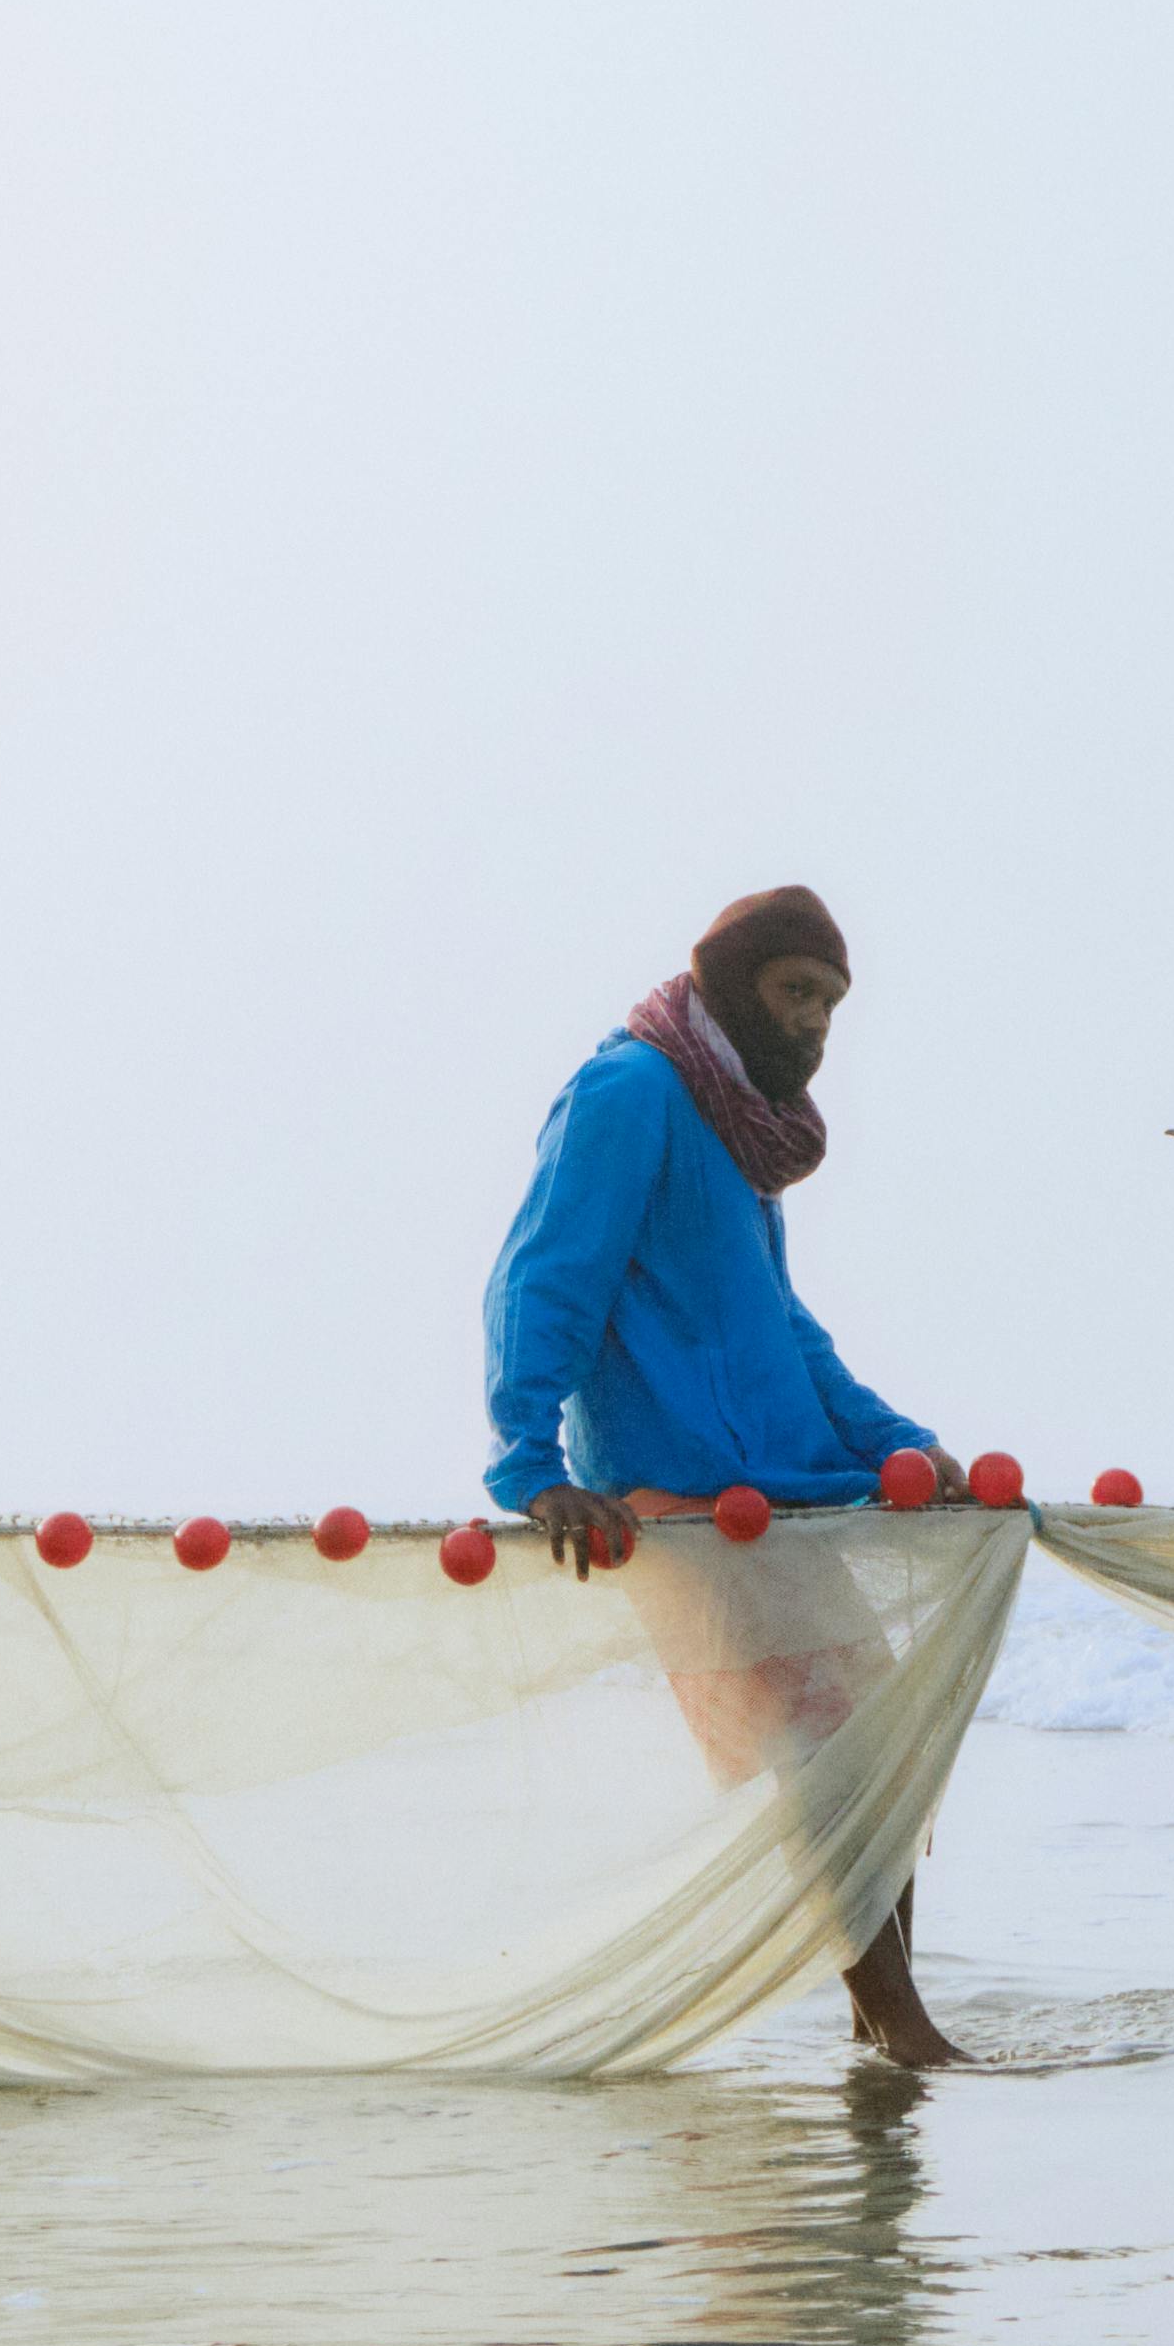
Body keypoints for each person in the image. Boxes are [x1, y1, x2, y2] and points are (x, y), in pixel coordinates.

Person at [483, 886, 970, 2068]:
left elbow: (779, 1328)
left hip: (772, 1490)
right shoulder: (632, 1091)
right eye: (793, 991)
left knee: (881, 1757)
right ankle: (901, 2030)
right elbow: (541, 1274)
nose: (812, 1023)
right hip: (679, 1501)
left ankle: (878, 2025)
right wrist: (527, 1462)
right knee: (822, 1757)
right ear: (723, 983)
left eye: (831, 1003)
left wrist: (896, 1443)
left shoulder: (730, 1125)